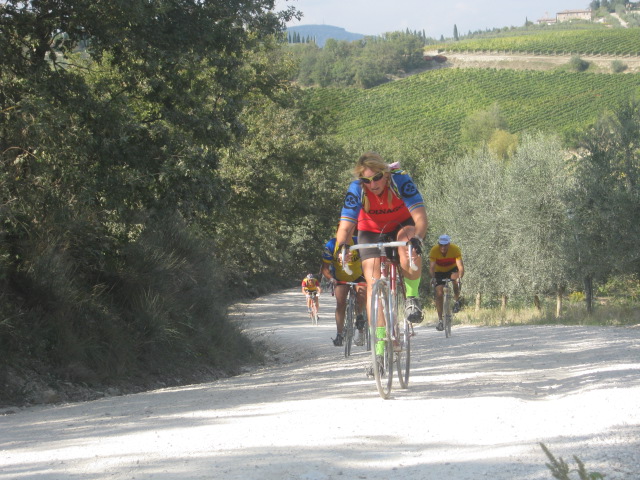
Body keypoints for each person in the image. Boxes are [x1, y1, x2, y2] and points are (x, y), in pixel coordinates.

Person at [336, 152, 428, 364]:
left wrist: (418, 239)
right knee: (373, 285)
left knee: (408, 249)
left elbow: (420, 216)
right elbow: (346, 226)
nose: (372, 184)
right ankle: (378, 349)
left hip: (401, 225)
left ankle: (412, 297)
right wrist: (343, 247)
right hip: (370, 230)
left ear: (385, 174)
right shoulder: (357, 189)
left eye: (376, 178)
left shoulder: (400, 180)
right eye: (367, 180)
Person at [321, 236, 367, 347]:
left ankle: (360, 318)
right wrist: (331, 279)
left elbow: (367, 261)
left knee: (362, 295)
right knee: (341, 303)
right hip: (340, 278)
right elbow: (325, 268)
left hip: (358, 276)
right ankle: (339, 334)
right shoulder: (331, 245)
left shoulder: (357, 242)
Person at [429, 234, 464, 331]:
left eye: (445, 245)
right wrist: (433, 278)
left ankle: (456, 300)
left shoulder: (455, 249)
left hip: (452, 270)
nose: (443, 247)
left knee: (455, 280)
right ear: (438, 244)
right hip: (439, 272)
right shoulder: (434, 250)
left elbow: (460, 267)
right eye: (441, 245)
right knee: (439, 293)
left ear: (449, 244)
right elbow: (431, 267)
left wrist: (460, 277)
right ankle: (440, 321)